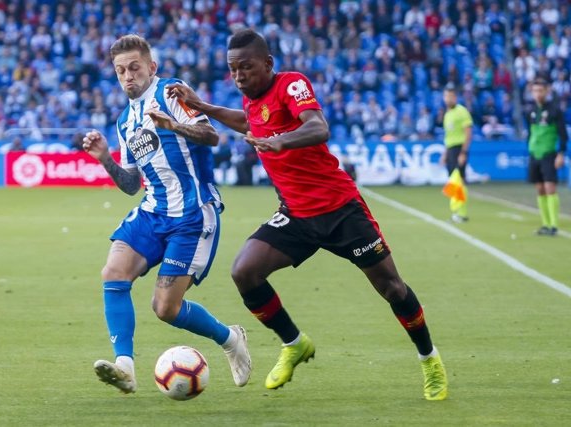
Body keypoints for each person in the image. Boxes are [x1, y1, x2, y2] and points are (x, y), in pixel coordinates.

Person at [167, 29, 448, 400]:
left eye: (246, 68)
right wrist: (203, 107)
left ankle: (429, 359)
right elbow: (249, 122)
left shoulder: (291, 85)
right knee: (245, 272)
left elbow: (318, 126)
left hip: (340, 211)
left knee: (391, 287)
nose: (238, 76)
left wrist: (282, 140)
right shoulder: (251, 99)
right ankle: (295, 343)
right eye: (233, 70)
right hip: (296, 216)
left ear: (268, 64)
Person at [82, 34, 251, 394]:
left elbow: (211, 136)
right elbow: (131, 184)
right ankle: (125, 366)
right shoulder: (124, 120)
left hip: (192, 213)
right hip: (153, 210)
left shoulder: (172, 92)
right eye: (120, 71)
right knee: (113, 271)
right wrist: (104, 160)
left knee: (165, 309)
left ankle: (230, 338)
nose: (128, 76)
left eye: (134, 68)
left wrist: (173, 125)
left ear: (151, 68)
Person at [525, 77, 568, 236]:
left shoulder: (555, 110)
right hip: (534, 153)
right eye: (535, 90)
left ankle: (554, 225)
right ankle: (545, 223)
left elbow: (563, 134)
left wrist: (561, 154)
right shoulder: (530, 111)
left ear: (547, 91)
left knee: (550, 187)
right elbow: (530, 132)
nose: (538, 94)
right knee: (540, 188)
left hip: (549, 154)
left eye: (540, 90)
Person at [440, 83, 473, 223]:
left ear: (456, 97)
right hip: (451, 149)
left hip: (459, 148)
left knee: (460, 181)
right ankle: (456, 212)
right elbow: (448, 136)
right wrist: (445, 154)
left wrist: (464, 152)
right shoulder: (447, 114)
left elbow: (468, 133)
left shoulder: (462, 111)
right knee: (453, 181)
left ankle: (462, 213)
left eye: (452, 96)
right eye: (447, 96)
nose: (449, 98)